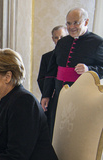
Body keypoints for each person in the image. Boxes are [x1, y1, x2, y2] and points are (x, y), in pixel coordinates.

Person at [41, 8, 103, 138]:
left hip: (81, 98)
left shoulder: (98, 42)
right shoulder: (62, 42)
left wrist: (89, 69)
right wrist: (46, 95)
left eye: (76, 23)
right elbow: (52, 71)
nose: (71, 27)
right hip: (59, 96)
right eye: (68, 23)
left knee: (75, 136)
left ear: (86, 22)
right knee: (55, 133)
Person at [37, 25, 67, 94]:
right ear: (53, 39)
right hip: (51, 95)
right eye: (56, 37)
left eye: (62, 37)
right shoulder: (46, 57)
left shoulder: (72, 57)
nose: (59, 40)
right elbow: (41, 79)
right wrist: (48, 92)